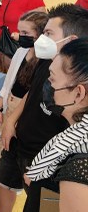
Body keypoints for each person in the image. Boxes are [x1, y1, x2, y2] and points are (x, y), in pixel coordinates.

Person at [0, 4, 88, 212]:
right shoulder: (50, 62)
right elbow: (32, 90)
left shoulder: (75, 163)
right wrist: (10, 120)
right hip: (22, 143)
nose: (49, 87)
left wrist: (37, 169)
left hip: (38, 157)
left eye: (48, 33)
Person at [0, 12, 48, 194]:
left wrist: (13, 120)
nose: (18, 35)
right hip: (9, 104)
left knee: (10, 147)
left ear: (40, 35)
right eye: (19, 30)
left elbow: (34, 97)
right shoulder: (21, 51)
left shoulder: (46, 62)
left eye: (25, 32)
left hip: (23, 112)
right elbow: (8, 83)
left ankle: (7, 183)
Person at [23, 38, 88, 212]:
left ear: (78, 93)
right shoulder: (77, 134)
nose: (47, 84)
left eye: (51, 78)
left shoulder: (78, 168)